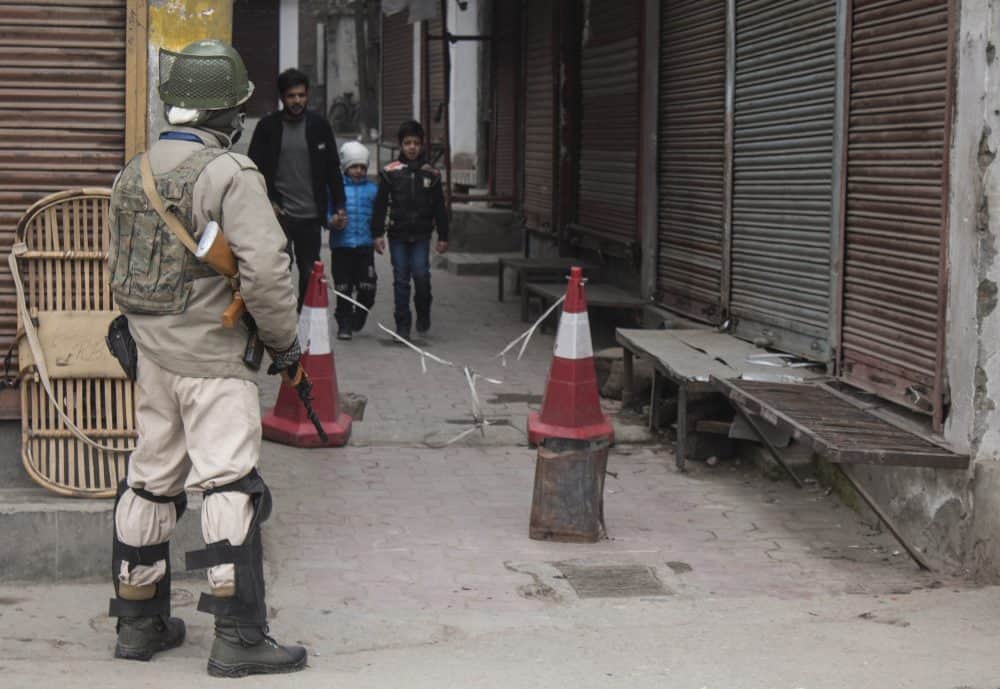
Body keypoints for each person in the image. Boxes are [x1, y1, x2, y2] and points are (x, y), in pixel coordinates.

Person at [106, 39, 308, 677]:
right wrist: (284, 345)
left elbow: (118, 269)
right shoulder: (230, 173)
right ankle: (238, 637)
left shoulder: (134, 170)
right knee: (227, 482)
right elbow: (268, 275)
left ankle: (138, 622)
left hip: (151, 358)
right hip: (214, 360)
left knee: (151, 479)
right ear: (227, 112)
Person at [248, 68, 346, 310]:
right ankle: (280, 318)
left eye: (301, 95)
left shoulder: (319, 126)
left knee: (309, 272)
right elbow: (252, 170)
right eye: (291, 96)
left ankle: (303, 319)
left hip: (311, 215)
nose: (297, 101)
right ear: (282, 97)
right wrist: (268, 201)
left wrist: (340, 205)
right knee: (278, 271)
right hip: (279, 214)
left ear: (307, 95)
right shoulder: (267, 127)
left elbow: (333, 169)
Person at [371, 120, 449, 341]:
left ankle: (423, 311)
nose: (412, 147)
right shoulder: (390, 172)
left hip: (422, 235)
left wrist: (443, 236)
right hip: (397, 234)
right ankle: (402, 325)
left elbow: (439, 207)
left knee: (421, 275)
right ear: (400, 145)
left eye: (416, 143)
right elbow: (380, 205)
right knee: (401, 279)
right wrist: (377, 234)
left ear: (422, 145)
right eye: (407, 143)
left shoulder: (431, 174)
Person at [328, 140, 379, 340]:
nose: (358, 171)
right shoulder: (336, 189)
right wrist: (332, 220)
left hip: (365, 247)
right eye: (354, 166)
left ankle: (361, 313)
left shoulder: (373, 190)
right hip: (342, 247)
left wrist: (379, 235)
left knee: (368, 287)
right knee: (344, 288)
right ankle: (344, 323)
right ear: (345, 168)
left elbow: (380, 215)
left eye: (362, 167)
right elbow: (326, 211)